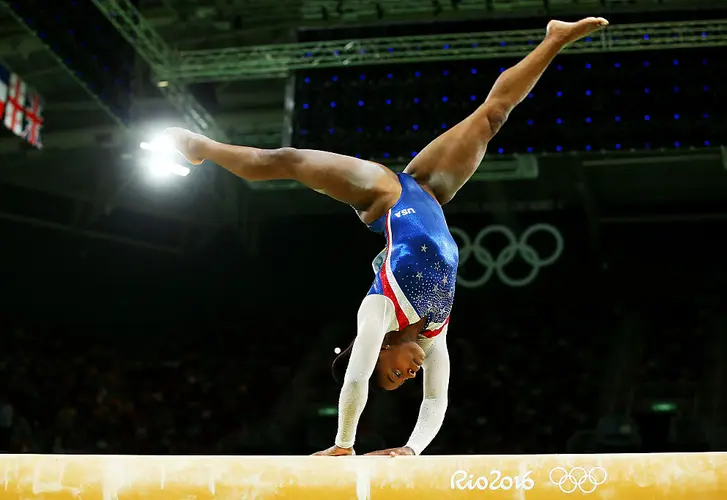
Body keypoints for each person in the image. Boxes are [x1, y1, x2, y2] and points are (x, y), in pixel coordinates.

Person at [159, 17, 609, 457]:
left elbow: (356, 376)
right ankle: (555, 39)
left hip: (385, 196)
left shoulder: (378, 310)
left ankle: (201, 148)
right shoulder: (436, 333)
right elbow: (437, 401)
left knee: (289, 159)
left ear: (382, 351)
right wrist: (410, 451)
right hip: (431, 191)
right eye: (403, 381)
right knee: (491, 116)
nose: (408, 376)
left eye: (393, 377)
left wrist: (344, 445)